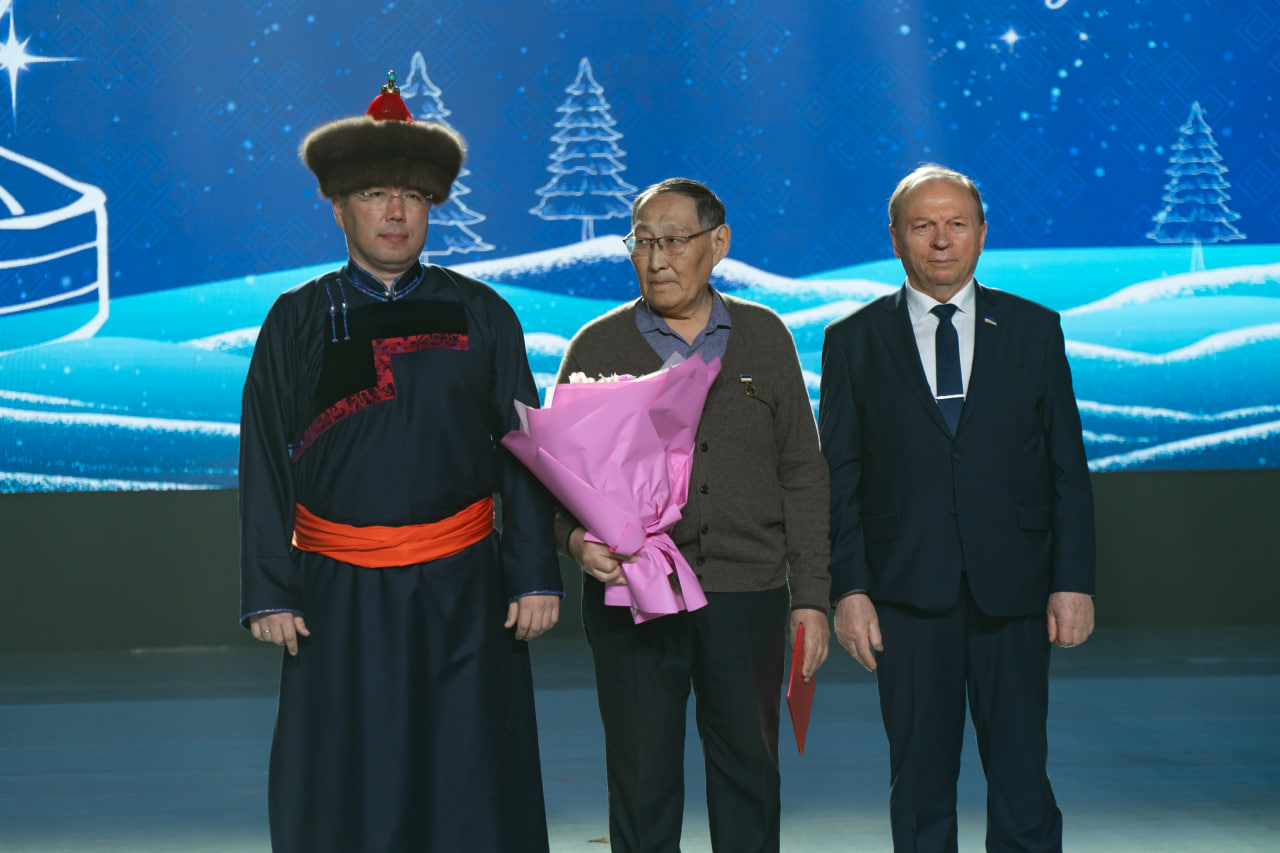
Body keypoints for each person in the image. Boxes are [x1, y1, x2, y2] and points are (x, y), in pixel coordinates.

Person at [238, 74, 562, 853]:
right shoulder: (297, 319)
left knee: (471, 773)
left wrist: (532, 574)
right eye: (376, 194)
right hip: (338, 594)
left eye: (412, 197)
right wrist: (270, 587)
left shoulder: (484, 313)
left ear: (431, 208)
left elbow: (525, 450)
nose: (395, 212)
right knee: (352, 777)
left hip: (466, 589)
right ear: (339, 206)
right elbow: (264, 457)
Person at [819, 163, 1096, 853]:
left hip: (1015, 588)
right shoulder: (853, 340)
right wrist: (848, 589)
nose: (941, 240)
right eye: (923, 226)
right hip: (905, 591)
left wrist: (1073, 580)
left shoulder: (1034, 329)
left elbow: (1067, 467)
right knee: (918, 785)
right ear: (895, 237)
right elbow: (840, 476)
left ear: (981, 233)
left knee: (1022, 779)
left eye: (957, 224)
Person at [555, 177, 832, 853]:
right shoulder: (596, 346)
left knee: (748, 775)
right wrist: (575, 541)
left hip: (746, 594)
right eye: (642, 241)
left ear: (719, 242)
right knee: (641, 781)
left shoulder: (765, 337)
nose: (656, 259)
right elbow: (553, 480)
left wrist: (812, 596)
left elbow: (802, 471)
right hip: (632, 598)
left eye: (675, 240)